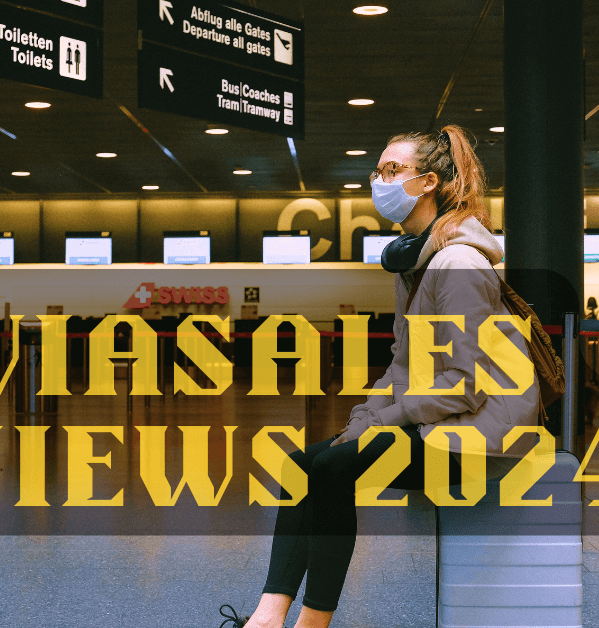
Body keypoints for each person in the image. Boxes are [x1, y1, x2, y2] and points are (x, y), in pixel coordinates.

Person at [224, 126, 540, 628]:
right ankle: (267, 615)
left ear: (428, 182)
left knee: (331, 471)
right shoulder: (417, 263)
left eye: (392, 171)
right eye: (378, 171)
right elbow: (403, 362)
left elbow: (466, 383)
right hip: (443, 423)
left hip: (483, 435)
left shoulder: (457, 262)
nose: (379, 180)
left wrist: (386, 422)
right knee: (302, 465)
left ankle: (312, 622)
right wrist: (364, 418)